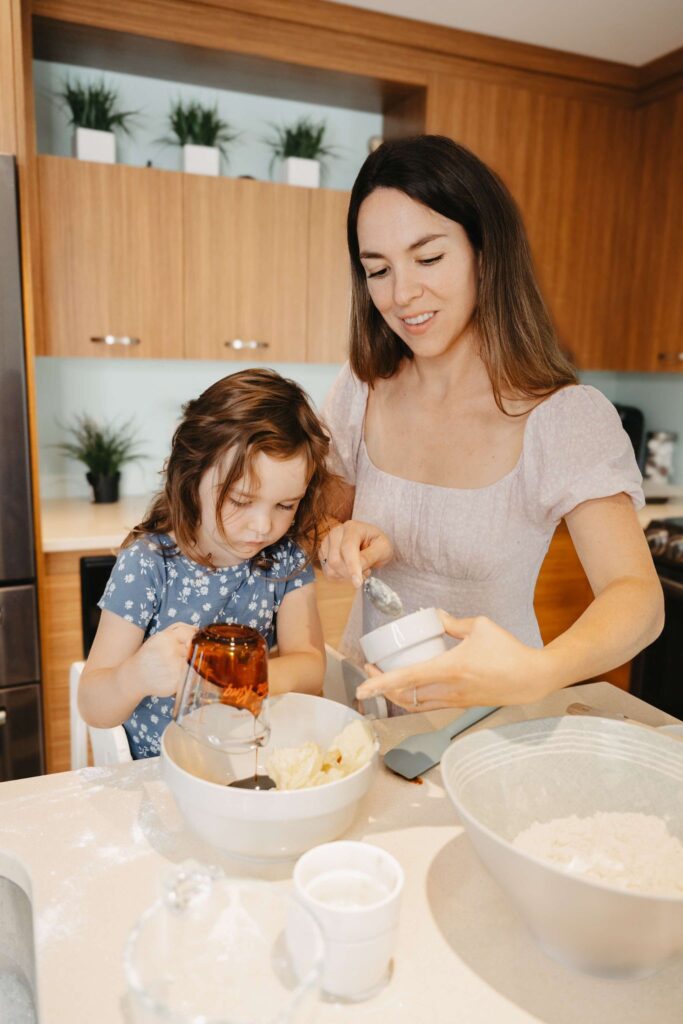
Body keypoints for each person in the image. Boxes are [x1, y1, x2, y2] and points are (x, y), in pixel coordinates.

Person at [319, 135, 663, 714]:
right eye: (377, 270)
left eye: (428, 258)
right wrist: (331, 539)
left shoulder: (563, 418)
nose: (402, 294)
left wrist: (539, 671)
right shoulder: (360, 390)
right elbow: (316, 522)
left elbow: (639, 600)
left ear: (486, 250)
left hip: (493, 718)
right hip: (366, 707)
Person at [79, 368, 331, 758]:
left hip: (246, 756)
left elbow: (311, 668)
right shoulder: (148, 564)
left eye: (285, 505)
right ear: (191, 475)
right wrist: (137, 674)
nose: (264, 526)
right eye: (241, 501)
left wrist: (232, 682)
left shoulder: (284, 558)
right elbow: (93, 704)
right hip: (157, 768)